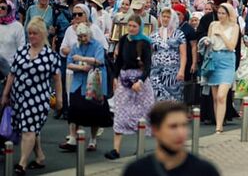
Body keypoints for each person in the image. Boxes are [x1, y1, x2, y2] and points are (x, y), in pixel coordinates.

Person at [1, 17, 62, 175]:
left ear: (42, 34)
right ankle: (40, 156)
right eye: (29, 33)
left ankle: (22, 163)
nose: (31, 36)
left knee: (28, 130)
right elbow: (12, 74)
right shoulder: (22, 51)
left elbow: (57, 79)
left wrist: (60, 99)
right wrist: (6, 94)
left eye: (35, 33)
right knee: (30, 129)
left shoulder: (50, 56)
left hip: (38, 99)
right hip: (19, 97)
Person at [123, 101, 219, 176]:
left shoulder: (204, 171)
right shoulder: (137, 171)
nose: (180, 133)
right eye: (173, 127)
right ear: (155, 130)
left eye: (184, 125)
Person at [105, 15, 154, 160]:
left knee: (141, 115)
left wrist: (141, 81)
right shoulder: (124, 39)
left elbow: (148, 65)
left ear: (139, 27)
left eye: (134, 26)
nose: (131, 29)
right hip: (124, 78)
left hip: (140, 81)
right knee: (120, 113)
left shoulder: (144, 43)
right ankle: (116, 149)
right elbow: (119, 60)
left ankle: (140, 147)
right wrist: (114, 77)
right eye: (130, 26)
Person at [60, 23, 112, 152]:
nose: (82, 39)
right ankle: (72, 138)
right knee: (74, 109)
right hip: (78, 81)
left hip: (94, 82)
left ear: (89, 35)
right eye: (80, 36)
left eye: (84, 36)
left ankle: (93, 139)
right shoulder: (75, 47)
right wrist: (81, 67)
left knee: (94, 111)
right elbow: (69, 63)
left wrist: (83, 59)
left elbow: (99, 61)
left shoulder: (97, 46)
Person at [205, 3, 239, 133]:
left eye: (223, 13)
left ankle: (219, 126)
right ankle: (218, 125)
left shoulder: (234, 27)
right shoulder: (213, 25)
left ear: (229, 14)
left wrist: (222, 35)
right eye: (219, 13)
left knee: (221, 95)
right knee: (215, 97)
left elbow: (232, 46)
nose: (220, 16)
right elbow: (208, 41)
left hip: (227, 60)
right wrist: (207, 42)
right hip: (214, 59)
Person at [150, 7, 187, 102]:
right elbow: (150, 51)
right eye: (164, 16)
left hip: (173, 72)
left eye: (168, 17)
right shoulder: (153, 34)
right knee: (157, 97)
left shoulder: (179, 34)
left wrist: (182, 70)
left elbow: (183, 54)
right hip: (156, 71)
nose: (165, 19)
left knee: (174, 99)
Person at [0, 0, 25, 65]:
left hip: (11, 65)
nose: (0, 9)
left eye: (3, 8)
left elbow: (21, 48)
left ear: (9, 9)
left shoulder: (18, 26)